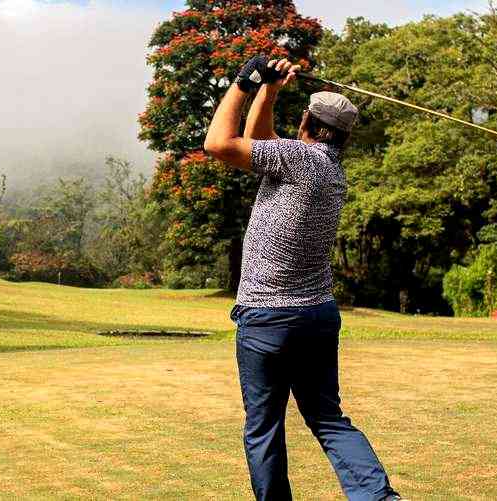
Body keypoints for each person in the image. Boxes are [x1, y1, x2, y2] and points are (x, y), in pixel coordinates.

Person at [202, 55, 403, 501]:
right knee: (329, 419)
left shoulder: (298, 159)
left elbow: (218, 143)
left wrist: (245, 81)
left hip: (268, 320)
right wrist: (270, 90)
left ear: (309, 122)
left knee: (264, 429)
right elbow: (258, 139)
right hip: (316, 316)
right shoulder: (327, 169)